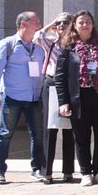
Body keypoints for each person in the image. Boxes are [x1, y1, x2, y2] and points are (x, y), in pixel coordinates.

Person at [55, 11, 98, 186]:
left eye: (88, 22)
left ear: (93, 25)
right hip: (79, 97)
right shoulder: (68, 48)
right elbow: (60, 77)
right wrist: (64, 102)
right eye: (81, 22)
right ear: (74, 26)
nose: (85, 25)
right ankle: (85, 172)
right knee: (81, 136)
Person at [0, 11, 48, 184]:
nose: (39, 24)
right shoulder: (7, 44)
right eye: (36, 22)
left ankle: (36, 169)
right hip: (12, 97)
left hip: (34, 98)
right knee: (5, 133)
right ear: (24, 24)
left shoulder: (38, 49)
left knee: (37, 135)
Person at [37, 13, 76, 183]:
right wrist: (53, 21)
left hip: (69, 85)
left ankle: (68, 171)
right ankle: (47, 172)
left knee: (69, 129)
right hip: (51, 83)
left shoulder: (75, 44)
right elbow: (38, 36)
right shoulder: (51, 42)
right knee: (49, 128)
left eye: (66, 23)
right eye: (59, 23)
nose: (61, 26)